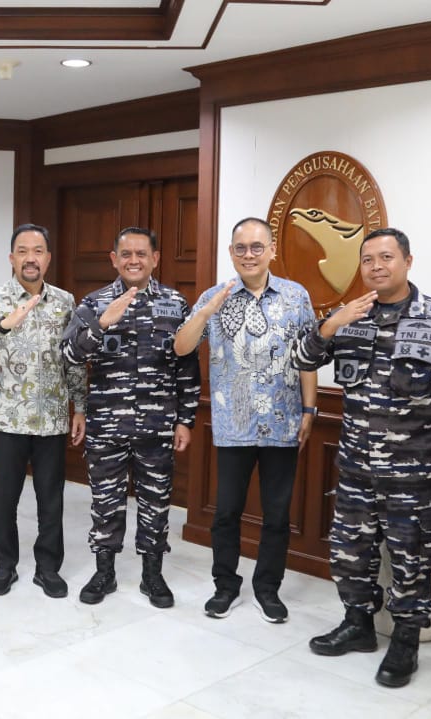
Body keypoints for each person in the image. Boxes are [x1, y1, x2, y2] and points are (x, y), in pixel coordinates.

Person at [292, 227, 431, 688]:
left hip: (413, 473)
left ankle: (405, 642)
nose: (376, 267)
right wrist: (331, 323)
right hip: (356, 467)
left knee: (412, 559)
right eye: (368, 260)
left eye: (386, 257)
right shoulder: (351, 317)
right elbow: (302, 358)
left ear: (407, 261)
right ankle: (358, 625)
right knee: (349, 553)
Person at [173, 217, 317, 623]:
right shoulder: (214, 296)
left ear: (272, 250)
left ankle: (268, 589)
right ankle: (225, 585)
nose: (249, 255)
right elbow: (181, 347)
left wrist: (310, 410)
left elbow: (307, 357)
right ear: (231, 252)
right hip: (233, 424)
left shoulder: (296, 296)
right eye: (241, 248)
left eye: (257, 247)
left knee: (277, 514)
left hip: (283, 423)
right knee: (226, 512)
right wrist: (206, 311)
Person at [61, 226, 200, 608]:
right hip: (107, 425)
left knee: (156, 503)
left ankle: (152, 575)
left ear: (155, 259)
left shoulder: (175, 303)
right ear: (114, 259)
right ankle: (104, 572)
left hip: (158, 426)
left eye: (142, 254)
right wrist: (102, 324)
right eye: (126, 254)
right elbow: (69, 355)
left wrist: (186, 419)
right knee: (105, 502)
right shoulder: (94, 303)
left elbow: (187, 365)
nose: (134, 261)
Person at [0, 224, 87, 598]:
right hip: (8, 418)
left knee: (51, 500)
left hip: (52, 419)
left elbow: (74, 361)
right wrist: (5, 324)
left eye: (38, 251)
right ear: (11, 258)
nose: (30, 258)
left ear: (48, 258)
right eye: (22, 251)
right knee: (6, 499)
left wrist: (80, 407)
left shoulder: (65, 301)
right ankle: (5, 565)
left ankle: (48, 568)